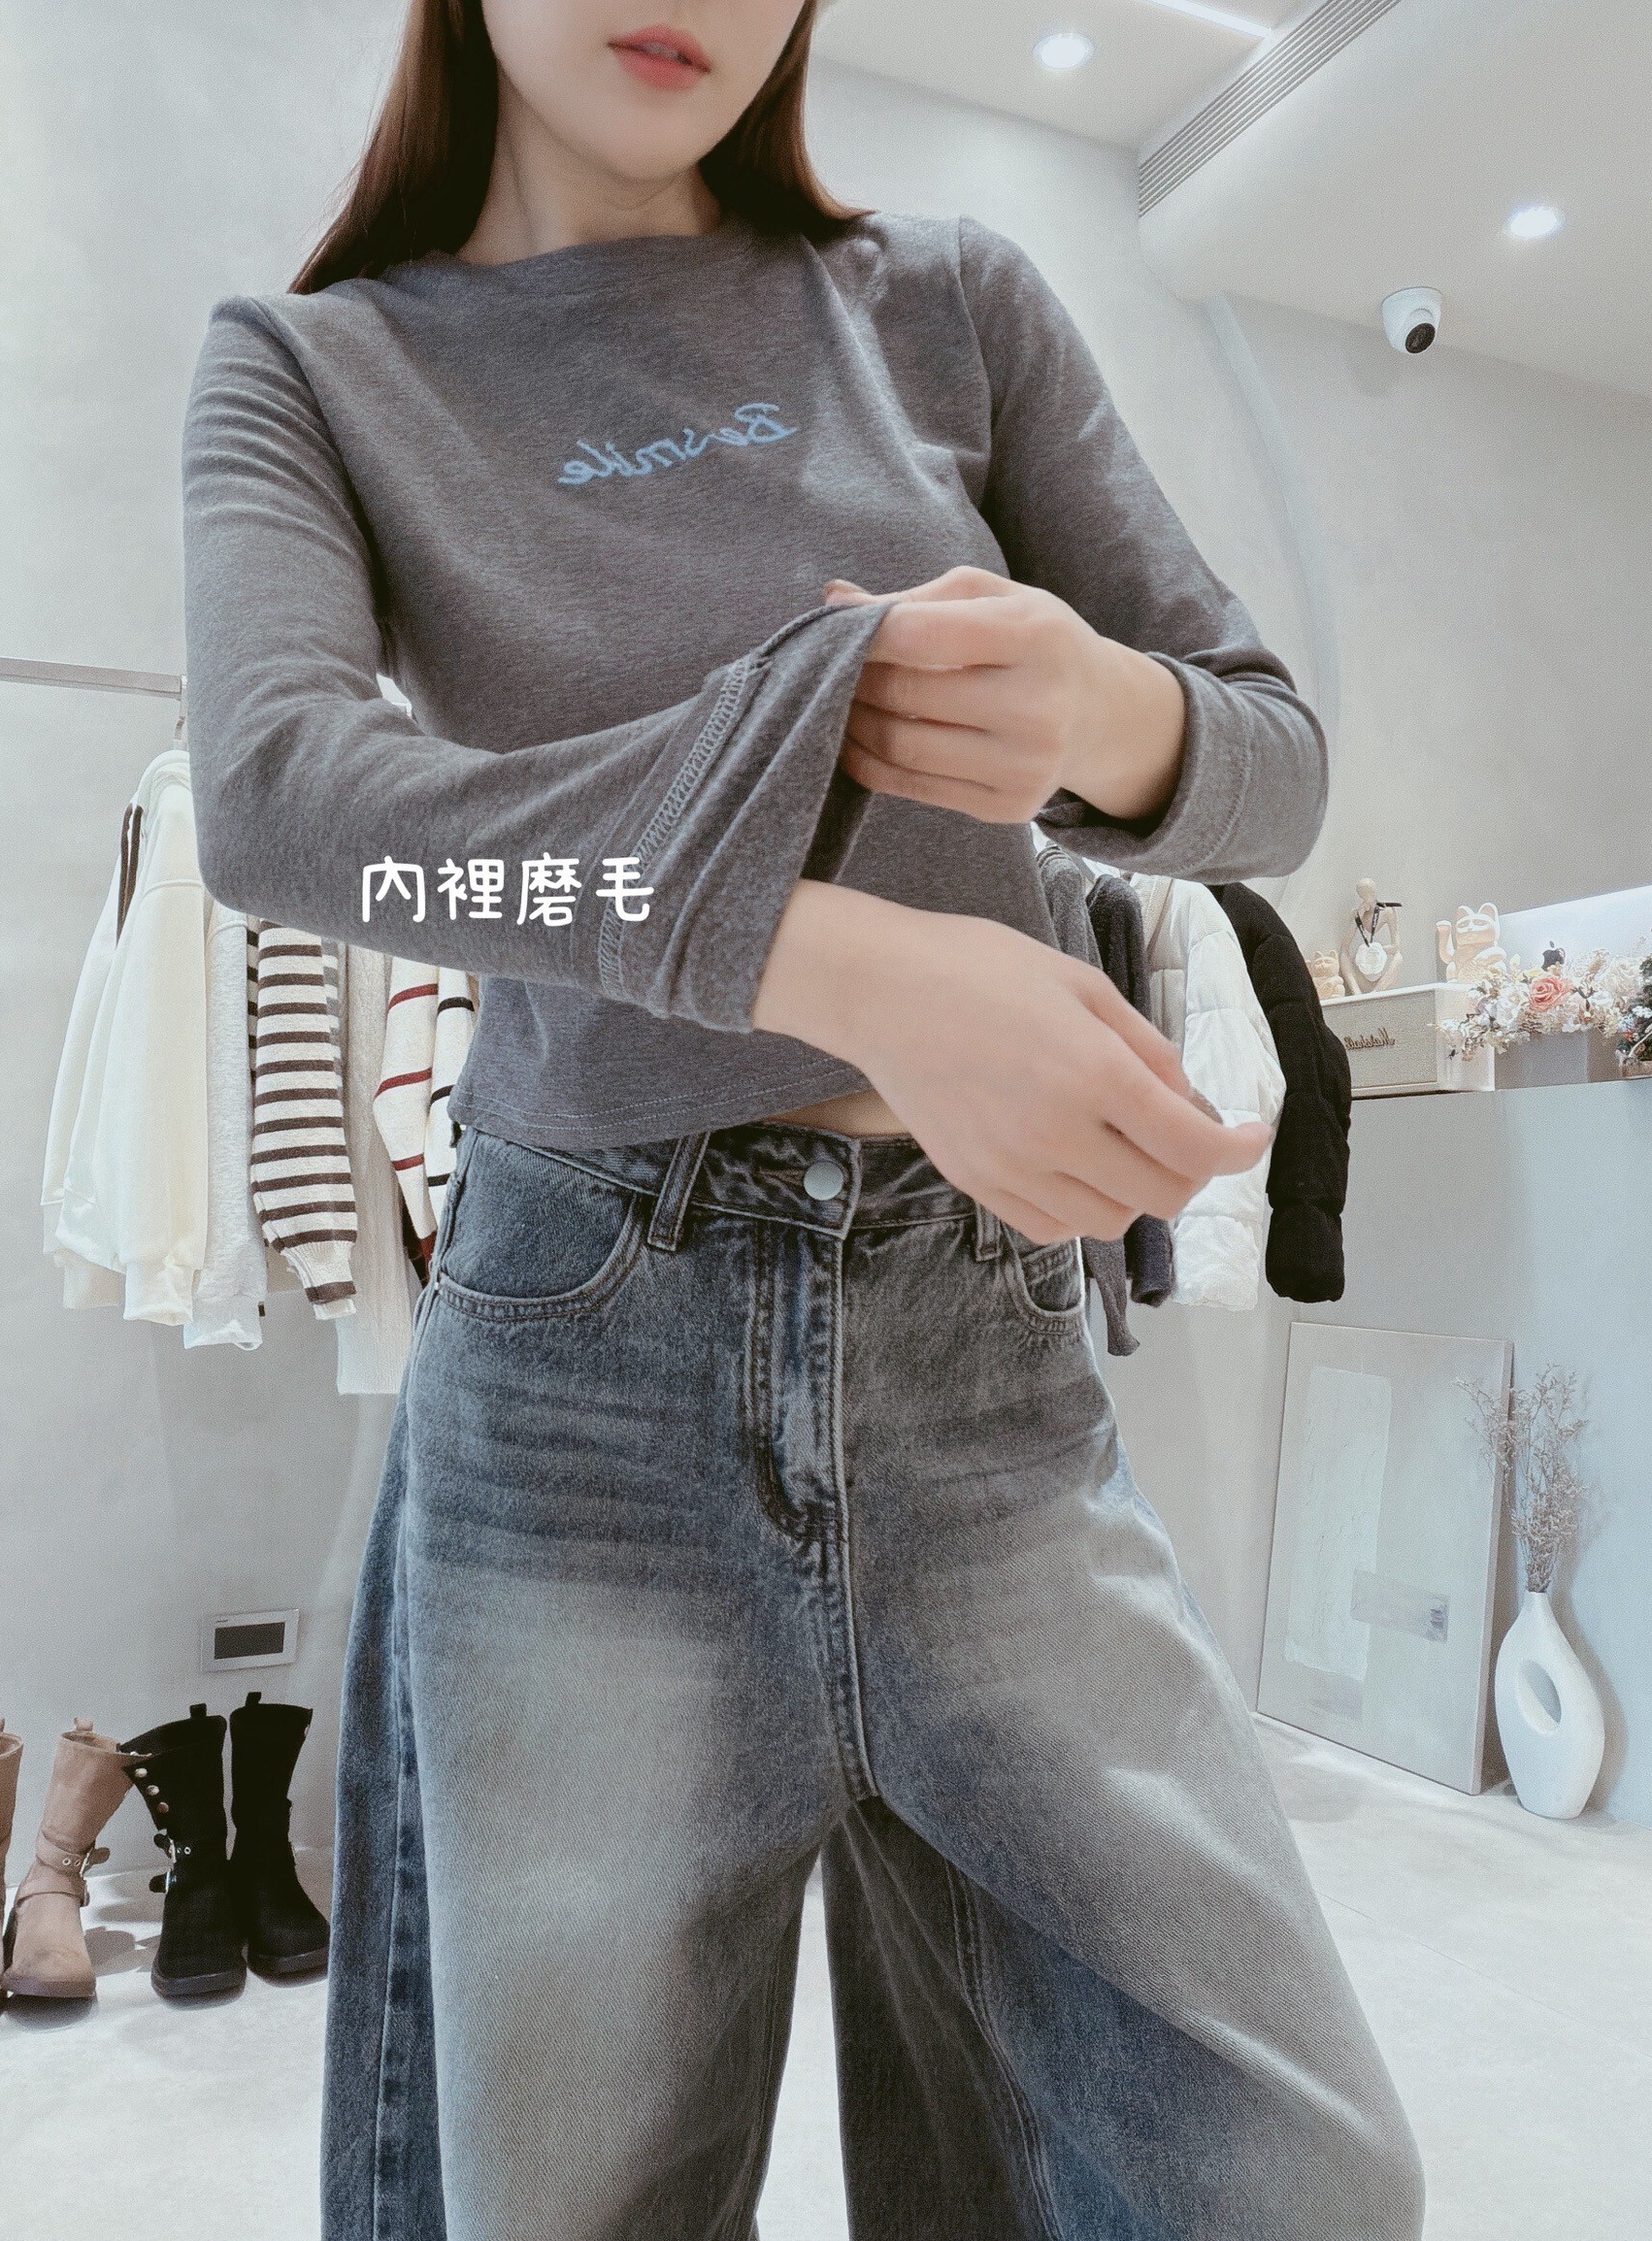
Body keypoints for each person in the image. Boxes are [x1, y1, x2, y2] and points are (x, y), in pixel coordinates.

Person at [179, 4, 1426, 2235]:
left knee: (1280, 2174)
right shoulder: (312, 367)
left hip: (978, 1367)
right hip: (584, 1376)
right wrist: (824, 958)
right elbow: (289, 804)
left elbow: (1271, 756)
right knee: (583, 2192)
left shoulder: (943, 301)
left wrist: (1100, 711)